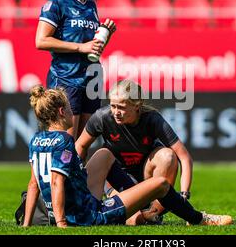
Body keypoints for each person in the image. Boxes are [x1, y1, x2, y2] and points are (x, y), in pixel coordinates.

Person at [22, 85, 232, 227]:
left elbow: (33, 184)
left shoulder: (36, 140)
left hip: (74, 207)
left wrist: (26, 225)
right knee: (160, 184)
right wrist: (61, 225)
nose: (72, 112)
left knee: (103, 153)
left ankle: (143, 213)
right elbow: (57, 181)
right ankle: (197, 218)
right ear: (61, 112)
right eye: (69, 109)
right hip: (88, 215)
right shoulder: (65, 140)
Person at [75, 79, 193, 224]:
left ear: (137, 106)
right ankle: (137, 213)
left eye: (121, 107)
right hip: (117, 182)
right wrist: (75, 178)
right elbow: (80, 146)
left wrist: (184, 195)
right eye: (113, 106)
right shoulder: (101, 117)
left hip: (146, 178)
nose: (116, 112)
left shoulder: (152, 119)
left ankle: (154, 211)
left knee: (167, 156)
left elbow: (184, 157)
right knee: (134, 220)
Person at [35, 0, 116, 139]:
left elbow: (92, 47)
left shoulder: (90, 5)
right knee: (66, 143)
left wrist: (105, 36)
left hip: (91, 80)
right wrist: (81, 47)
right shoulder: (56, 3)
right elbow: (41, 41)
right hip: (66, 79)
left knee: (83, 146)